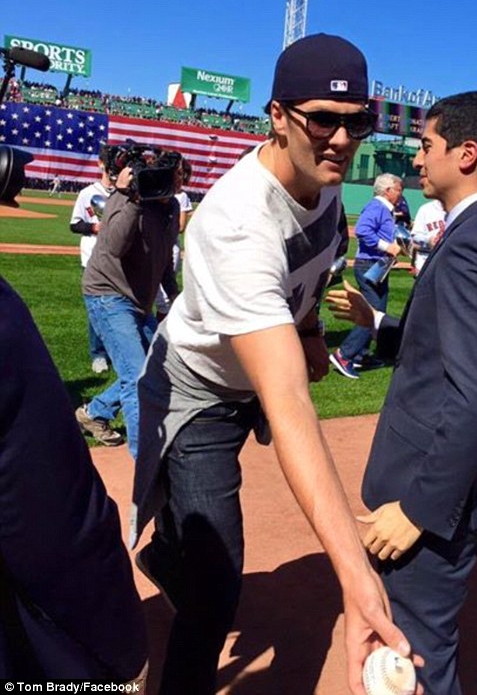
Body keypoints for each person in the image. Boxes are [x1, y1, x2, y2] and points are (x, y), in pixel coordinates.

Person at [131, 34, 417, 695]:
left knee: (202, 561)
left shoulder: (324, 187)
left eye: (357, 122)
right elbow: (289, 401)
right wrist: (357, 578)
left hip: (246, 378)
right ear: (279, 117)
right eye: (323, 119)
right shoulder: (238, 220)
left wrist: (311, 329)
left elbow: (311, 272)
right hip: (199, 391)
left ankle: (171, 552)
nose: (342, 139)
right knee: (214, 588)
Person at [327, 91, 477, 695]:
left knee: (412, 660)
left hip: (428, 499)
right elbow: (444, 352)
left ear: (466, 155)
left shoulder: (475, 241)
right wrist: (377, 321)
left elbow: (476, 395)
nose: (417, 158)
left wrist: (418, 509)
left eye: (426, 145)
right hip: (440, 487)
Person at [0, 145, 147, 684]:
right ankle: (136, 449)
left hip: (131, 294)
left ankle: (97, 409)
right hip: (104, 287)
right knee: (136, 375)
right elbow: (49, 509)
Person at [75, 144, 181, 456]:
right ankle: (144, 464)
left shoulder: (172, 207)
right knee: (136, 378)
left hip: (139, 301)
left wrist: (174, 297)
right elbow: (114, 246)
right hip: (108, 294)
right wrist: (130, 197)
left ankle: (94, 413)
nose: (178, 182)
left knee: (155, 368)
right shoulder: (124, 199)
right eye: (173, 176)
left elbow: (163, 257)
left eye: (180, 176)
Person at [329, 173, 404, 379]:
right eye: (399, 190)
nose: (401, 194)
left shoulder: (384, 209)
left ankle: (361, 354)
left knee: (378, 310)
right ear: (387, 191)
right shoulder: (377, 207)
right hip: (369, 265)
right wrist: (387, 246)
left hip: (378, 265)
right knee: (372, 313)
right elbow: (362, 230)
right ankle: (344, 354)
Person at [69, 148, 114, 374]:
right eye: (109, 163)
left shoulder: (125, 193)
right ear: (100, 164)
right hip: (92, 257)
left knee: (118, 306)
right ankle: (98, 354)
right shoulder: (88, 193)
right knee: (97, 307)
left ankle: (116, 350)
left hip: (118, 257)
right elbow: (74, 224)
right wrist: (94, 227)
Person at [154, 158, 194, 322]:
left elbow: (181, 226)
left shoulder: (180, 198)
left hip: (170, 245)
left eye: (181, 174)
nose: (180, 178)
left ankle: (161, 327)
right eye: (177, 173)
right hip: (159, 245)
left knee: (164, 297)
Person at [410, 198, 446, 275]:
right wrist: (428, 239)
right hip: (426, 257)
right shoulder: (426, 209)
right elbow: (415, 235)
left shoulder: (457, 209)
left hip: (448, 259)